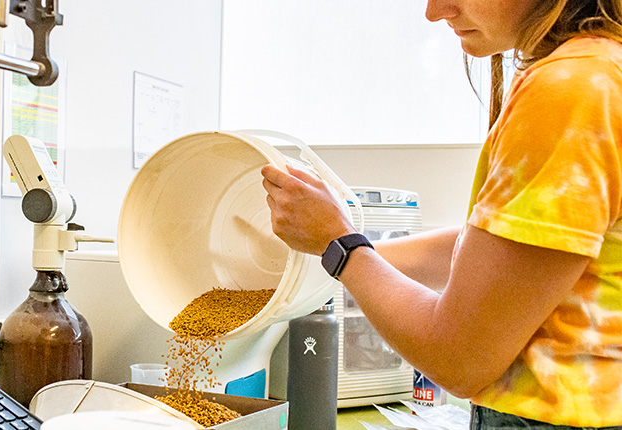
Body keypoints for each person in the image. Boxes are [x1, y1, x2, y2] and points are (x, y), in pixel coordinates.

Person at [261, 0, 622, 428]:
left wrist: (339, 245)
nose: (435, 11)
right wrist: (331, 246)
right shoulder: (601, 71)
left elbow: (458, 359)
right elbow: (501, 256)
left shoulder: (570, 88)